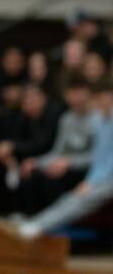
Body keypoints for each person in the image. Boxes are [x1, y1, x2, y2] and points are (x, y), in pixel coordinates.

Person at [0, 82, 113, 241]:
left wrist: (92, 181)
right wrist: (39, 162)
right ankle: (34, 224)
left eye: (103, 97)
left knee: (85, 195)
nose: (99, 102)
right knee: (73, 196)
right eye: (97, 98)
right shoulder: (101, 121)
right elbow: (100, 158)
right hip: (103, 177)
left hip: (106, 179)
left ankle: (35, 227)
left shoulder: (101, 120)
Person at [16, 76, 96, 214]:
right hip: (64, 164)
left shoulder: (99, 118)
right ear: (67, 95)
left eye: (80, 92)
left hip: (87, 169)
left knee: (53, 179)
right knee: (32, 173)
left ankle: (56, 223)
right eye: (72, 93)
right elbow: (57, 151)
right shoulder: (66, 118)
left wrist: (69, 162)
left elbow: (100, 156)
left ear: (89, 93)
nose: (76, 98)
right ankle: (31, 221)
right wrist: (37, 162)